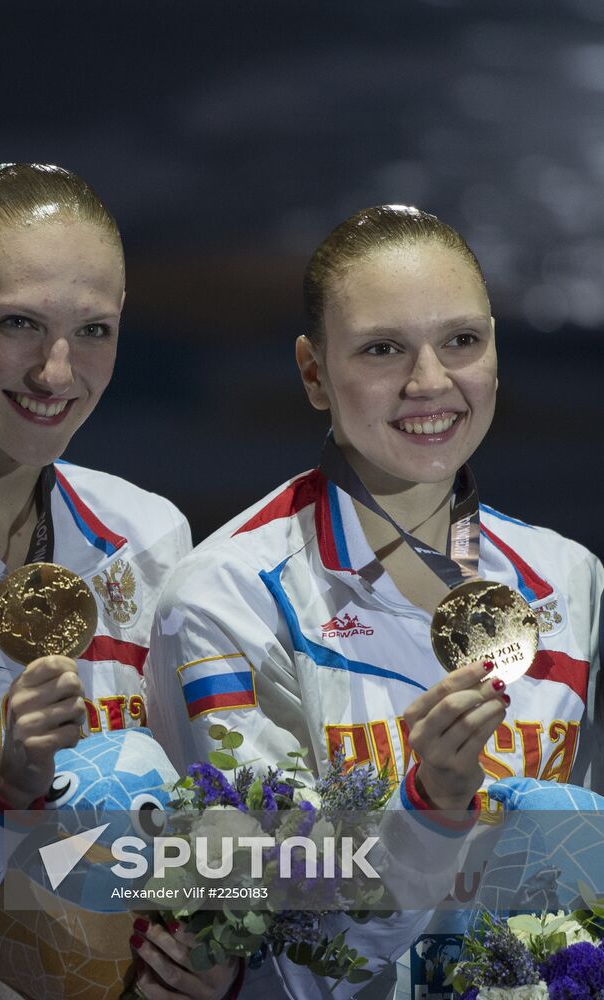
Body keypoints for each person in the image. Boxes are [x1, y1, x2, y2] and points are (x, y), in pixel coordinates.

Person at [145, 205, 603, 997]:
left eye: (462, 341)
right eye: (383, 349)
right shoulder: (229, 595)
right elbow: (276, 939)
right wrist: (427, 809)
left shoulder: (568, 579)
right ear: (313, 372)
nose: (430, 383)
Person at [0, 164, 237, 1000]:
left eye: (94, 331)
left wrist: (219, 953)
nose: (57, 373)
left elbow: (205, 827)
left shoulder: (149, 538)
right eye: (19, 323)